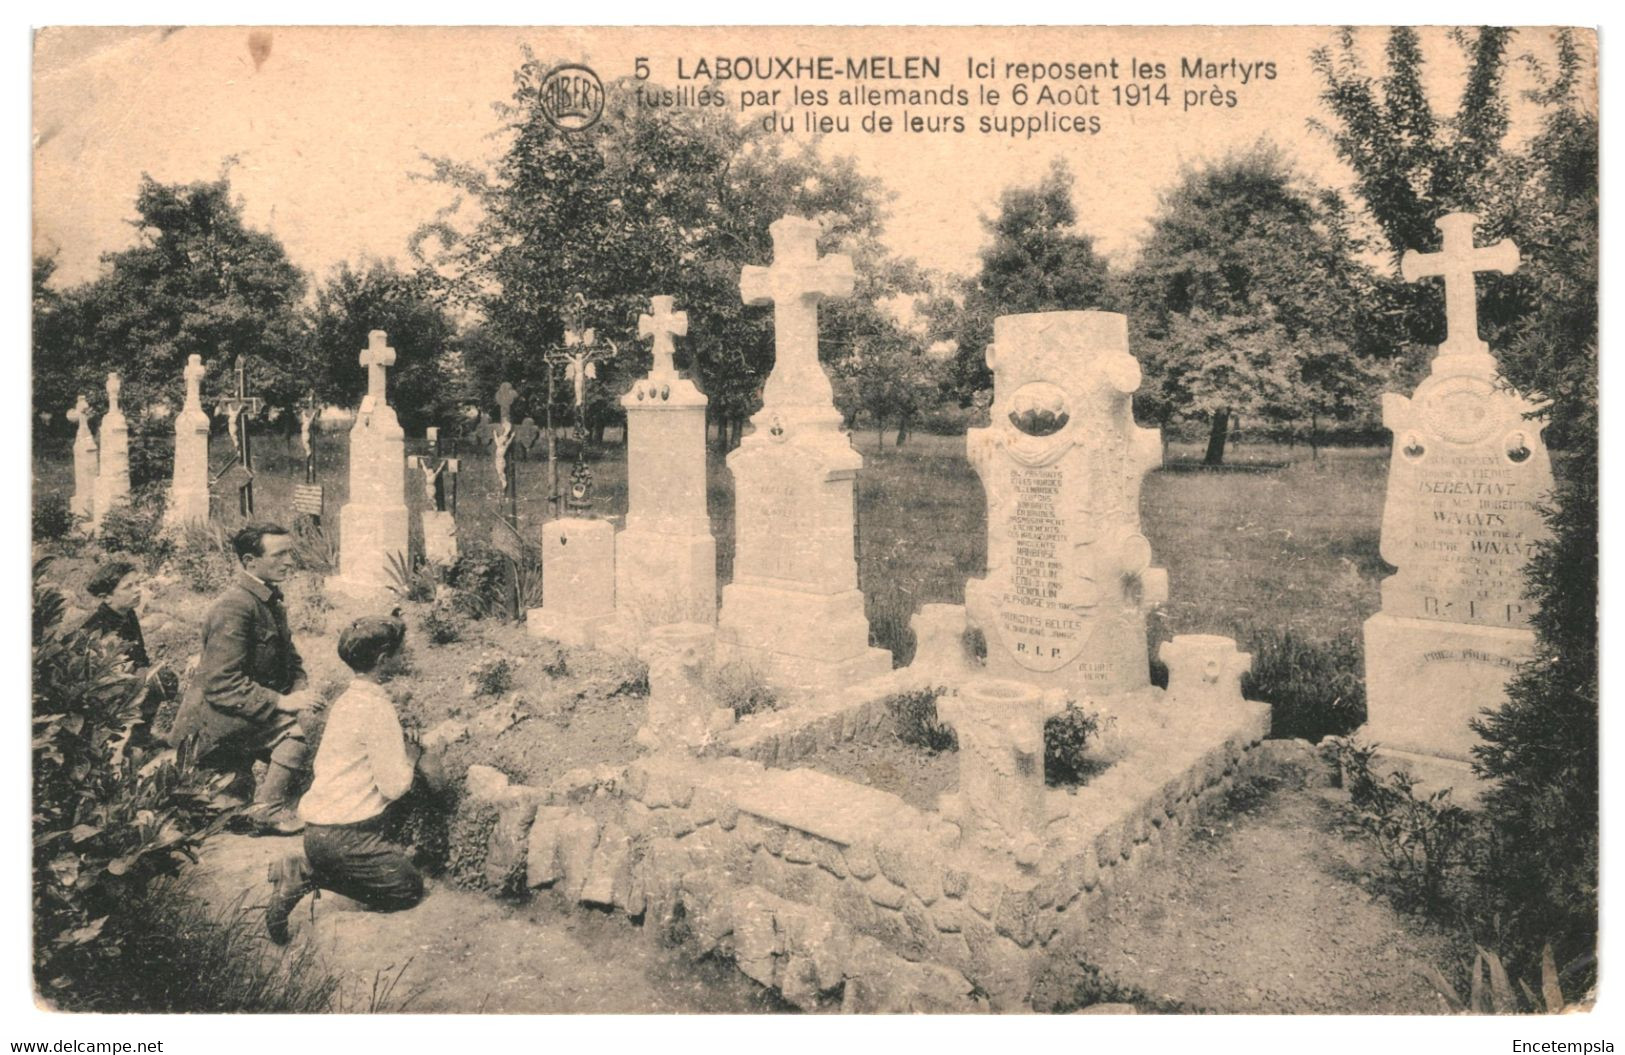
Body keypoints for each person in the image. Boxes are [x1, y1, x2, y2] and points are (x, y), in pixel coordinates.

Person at [266, 611, 441, 944]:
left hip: (319, 831)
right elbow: (394, 785)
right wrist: (412, 757)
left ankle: (330, 864)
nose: (404, 656)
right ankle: (305, 874)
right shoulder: (377, 709)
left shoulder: (348, 701)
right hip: (344, 837)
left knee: (392, 863)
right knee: (407, 888)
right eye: (400, 651)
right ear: (383, 659)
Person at [169, 523, 315, 835]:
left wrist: (300, 689)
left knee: (232, 803)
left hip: (240, 715)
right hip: (213, 726)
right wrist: (283, 702)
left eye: (290, 552)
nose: (289, 561)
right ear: (250, 562)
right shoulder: (235, 606)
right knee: (296, 734)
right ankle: (268, 810)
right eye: (279, 554)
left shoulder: (268, 601)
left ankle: (253, 804)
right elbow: (221, 683)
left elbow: (292, 660)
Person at [80, 559, 177, 747]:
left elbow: (140, 655)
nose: (137, 590)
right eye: (128, 587)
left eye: (137, 583)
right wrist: (141, 678)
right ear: (107, 597)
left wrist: (147, 673)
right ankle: (108, 746)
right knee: (153, 683)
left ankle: (139, 739)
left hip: (126, 680)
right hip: (103, 691)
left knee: (161, 679)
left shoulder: (127, 614)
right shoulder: (97, 628)